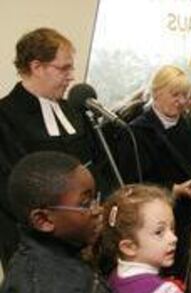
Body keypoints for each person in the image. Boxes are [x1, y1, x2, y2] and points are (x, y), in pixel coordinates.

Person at [0, 151, 141, 293]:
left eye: (96, 198)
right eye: (86, 204)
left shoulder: (65, 256)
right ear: (44, 220)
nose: (98, 210)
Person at [0, 28, 116, 267]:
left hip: (87, 235)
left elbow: (98, 165)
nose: (71, 76)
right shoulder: (4, 116)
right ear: (36, 67)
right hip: (34, 246)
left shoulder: (74, 111)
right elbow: (10, 189)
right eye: (64, 68)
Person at [116, 65, 191, 278]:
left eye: (185, 96)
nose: (181, 101)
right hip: (165, 222)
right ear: (156, 93)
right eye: (175, 95)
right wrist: (174, 190)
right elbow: (132, 183)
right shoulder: (136, 134)